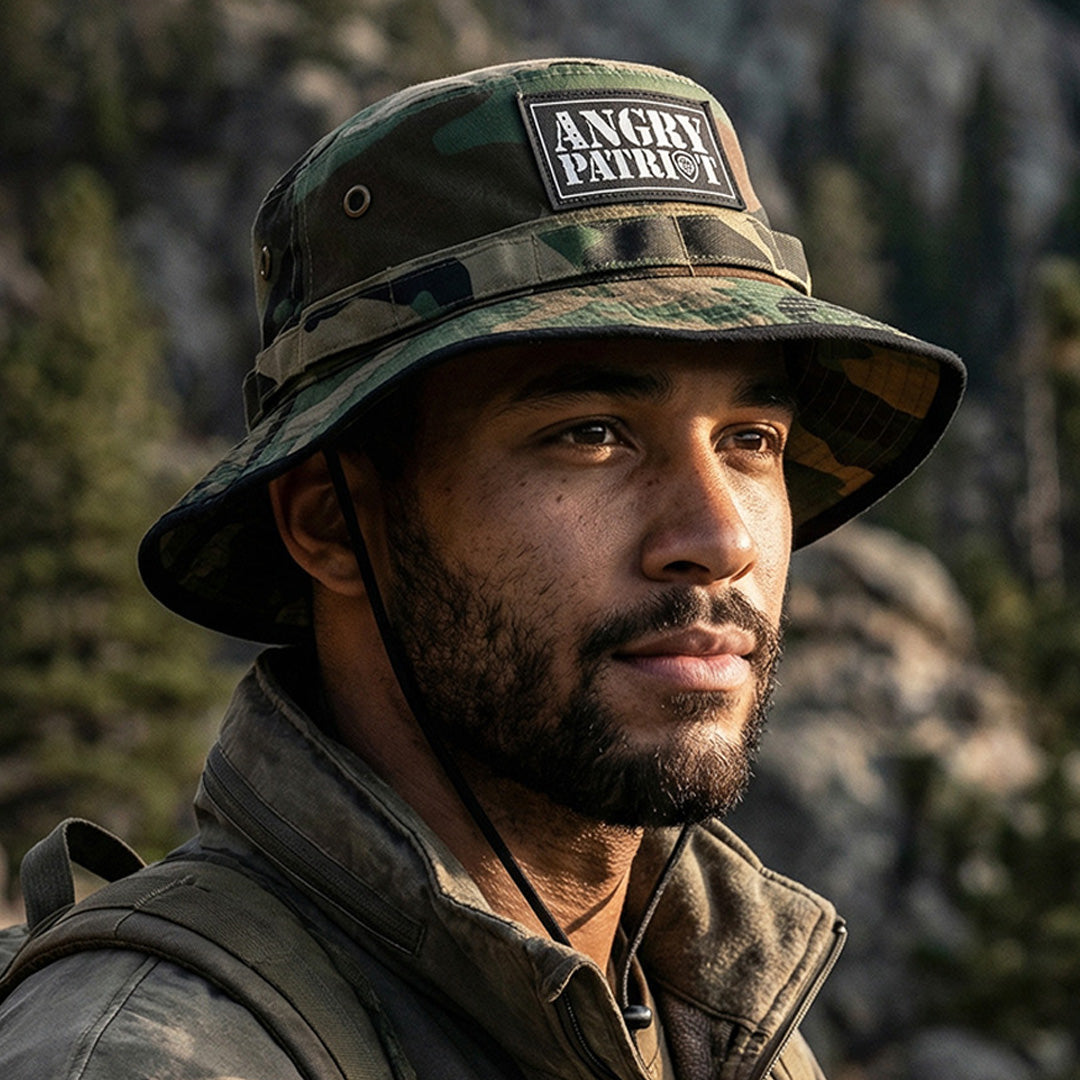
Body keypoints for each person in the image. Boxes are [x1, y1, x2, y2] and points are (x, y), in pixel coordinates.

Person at [0, 58, 964, 1079]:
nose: (721, 539)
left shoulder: (714, 1017)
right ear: (331, 522)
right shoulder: (160, 1057)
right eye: (592, 434)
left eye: (751, 439)